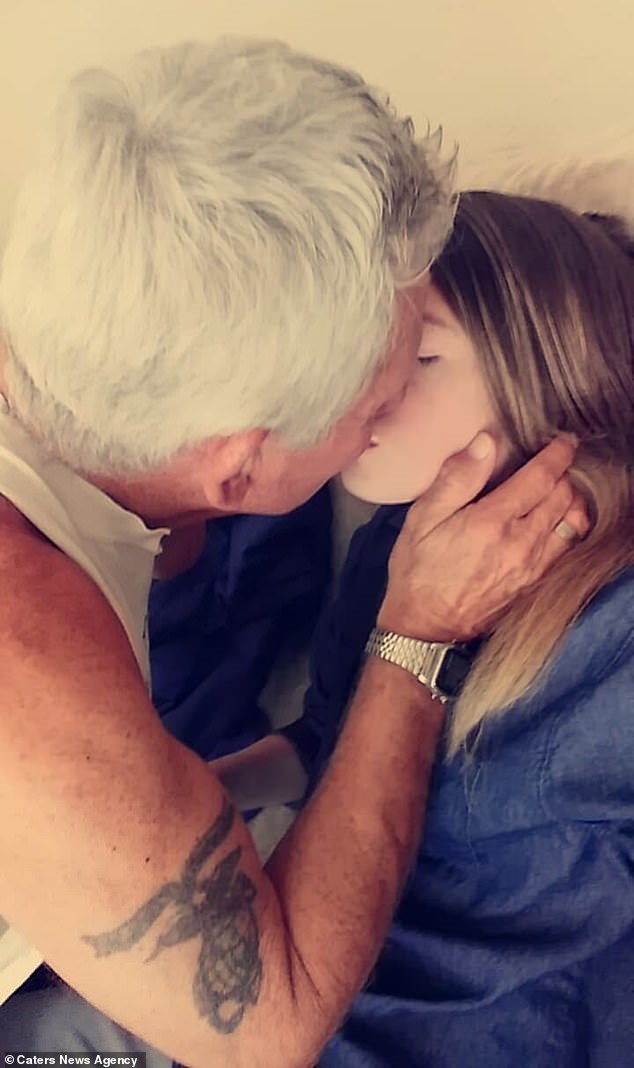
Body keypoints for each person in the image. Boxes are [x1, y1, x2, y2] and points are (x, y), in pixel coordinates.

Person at [0, 37, 584, 1065]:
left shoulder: (87, 412)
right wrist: (414, 637)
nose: (388, 411)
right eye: (387, 382)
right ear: (238, 471)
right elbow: (270, 1026)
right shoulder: (32, 670)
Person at [214, 190, 634, 1065]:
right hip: (291, 988)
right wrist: (187, 793)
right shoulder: (391, 544)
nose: (357, 394)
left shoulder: (615, 628)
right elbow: (331, 738)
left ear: (545, 375)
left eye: (418, 356)